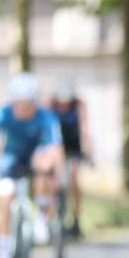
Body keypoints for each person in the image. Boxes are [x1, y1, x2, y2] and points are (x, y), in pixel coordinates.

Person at [0, 73, 63, 258]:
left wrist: (56, 174)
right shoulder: (2, 114)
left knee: (43, 164)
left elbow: (56, 149)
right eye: (19, 103)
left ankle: (41, 216)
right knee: (7, 200)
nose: (23, 108)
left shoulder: (46, 117)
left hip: (36, 156)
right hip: (11, 159)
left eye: (28, 104)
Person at [49, 77, 91, 238]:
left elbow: (85, 129)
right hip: (55, 144)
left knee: (73, 177)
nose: (64, 104)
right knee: (52, 179)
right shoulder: (50, 104)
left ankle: (76, 219)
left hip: (73, 145)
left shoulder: (79, 106)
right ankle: (50, 219)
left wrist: (87, 151)